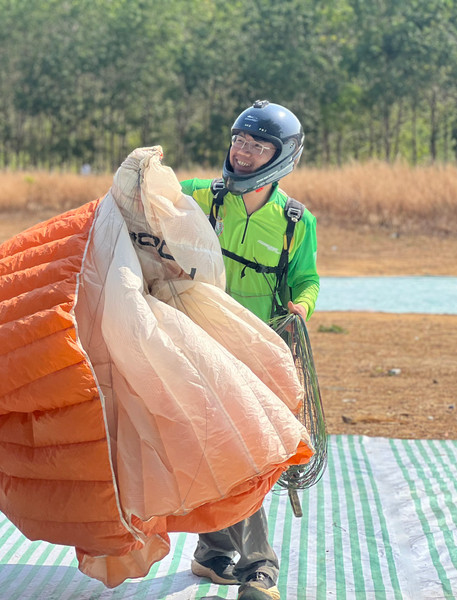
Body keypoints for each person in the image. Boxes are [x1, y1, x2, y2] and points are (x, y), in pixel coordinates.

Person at [180, 100, 319, 600]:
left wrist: (300, 310)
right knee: (225, 448)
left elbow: (306, 280)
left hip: (260, 351)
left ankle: (229, 554)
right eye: (239, 140)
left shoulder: (297, 221)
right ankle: (239, 559)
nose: (243, 152)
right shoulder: (196, 196)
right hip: (197, 344)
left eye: (258, 146)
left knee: (246, 451)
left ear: (282, 156)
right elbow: (140, 208)